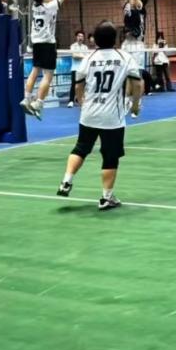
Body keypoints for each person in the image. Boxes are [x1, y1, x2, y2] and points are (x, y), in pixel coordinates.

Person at [57, 21, 141, 210]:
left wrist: (82, 102)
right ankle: (106, 198)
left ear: (95, 39)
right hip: (112, 118)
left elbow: (78, 85)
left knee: (81, 148)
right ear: (115, 39)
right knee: (110, 157)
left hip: (89, 114)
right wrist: (135, 105)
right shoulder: (124, 57)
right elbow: (137, 83)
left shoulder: (89, 58)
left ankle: (66, 181)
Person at [22, 0, 72, 119]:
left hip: (36, 43)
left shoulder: (35, 5)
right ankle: (39, 103)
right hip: (48, 44)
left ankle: (26, 98)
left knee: (35, 71)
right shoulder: (50, 7)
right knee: (48, 75)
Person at [115, 0, 149, 72]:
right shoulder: (127, 8)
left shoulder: (140, 9)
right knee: (124, 71)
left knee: (136, 72)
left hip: (137, 44)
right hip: (126, 43)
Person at [68, 31, 89, 107]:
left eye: (82, 36)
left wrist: (80, 55)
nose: (80, 38)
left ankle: (80, 99)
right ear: (76, 37)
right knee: (73, 85)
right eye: (79, 36)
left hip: (83, 69)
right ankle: (71, 101)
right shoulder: (73, 46)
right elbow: (74, 56)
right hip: (75, 69)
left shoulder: (85, 47)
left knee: (83, 85)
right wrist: (83, 56)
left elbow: (87, 58)